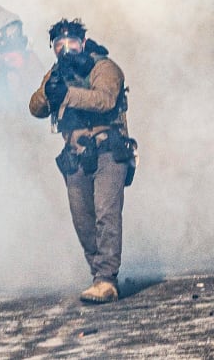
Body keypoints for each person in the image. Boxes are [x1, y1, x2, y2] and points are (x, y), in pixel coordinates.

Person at [29, 19, 137, 302]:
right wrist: (48, 92)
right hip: (75, 155)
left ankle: (106, 279)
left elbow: (105, 100)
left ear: (83, 43)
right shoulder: (57, 73)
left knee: (106, 214)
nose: (66, 49)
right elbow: (35, 108)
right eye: (59, 44)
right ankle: (97, 273)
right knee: (83, 220)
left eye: (72, 42)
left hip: (108, 151)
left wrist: (68, 94)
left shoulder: (103, 67)